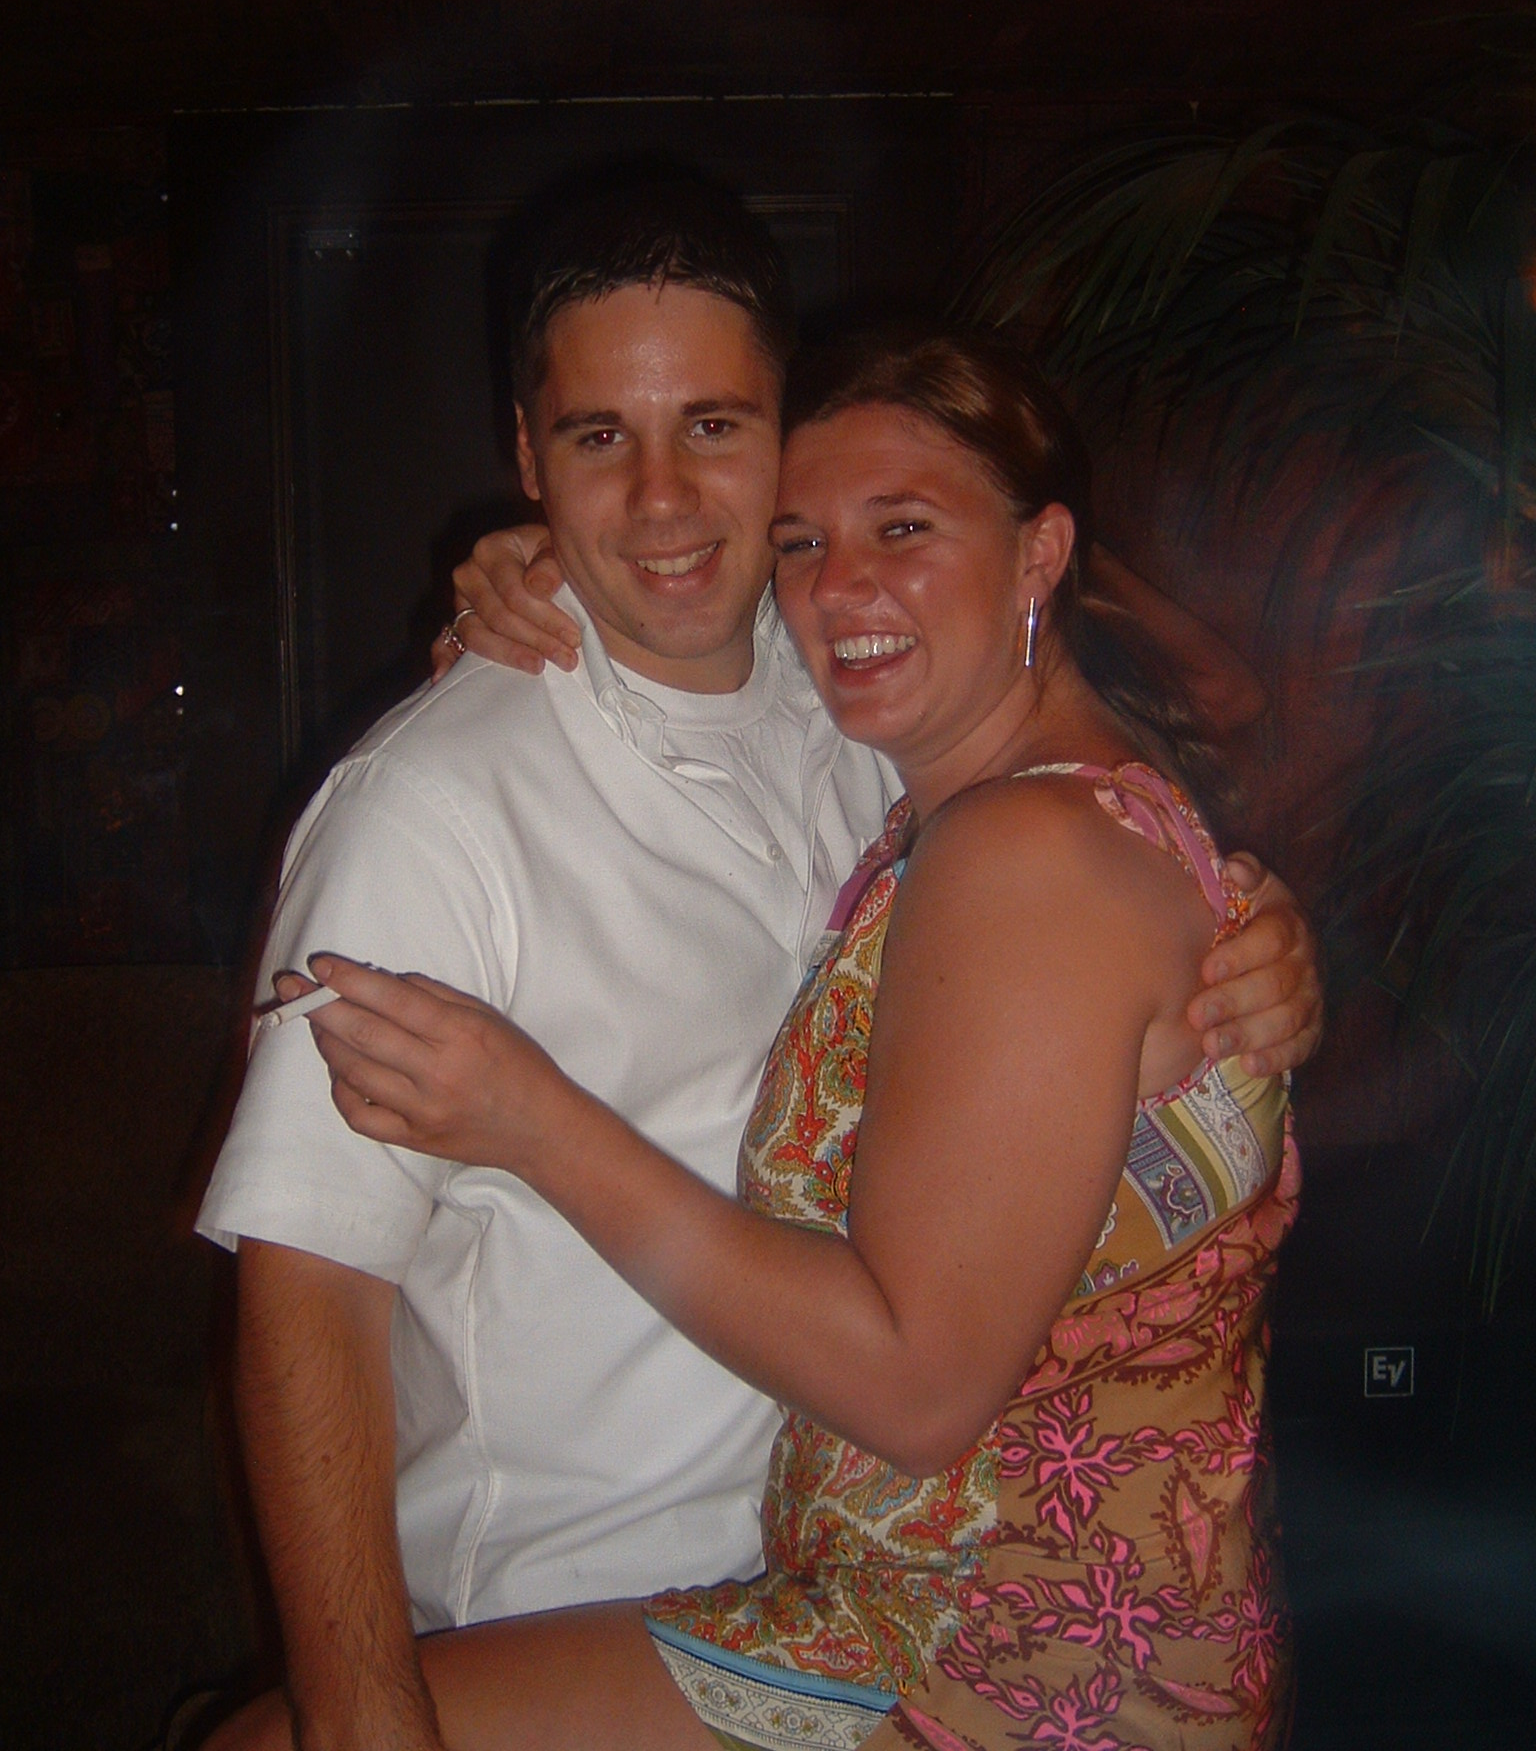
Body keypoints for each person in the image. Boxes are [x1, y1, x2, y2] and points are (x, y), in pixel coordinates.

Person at [199, 179, 1317, 1751]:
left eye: (715, 430)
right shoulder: (430, 806)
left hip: (908, 1608)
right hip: (567, 1592)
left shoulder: (864, 719)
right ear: (530, 459)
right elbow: (306, 1286)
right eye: (600, 438)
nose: (664, 498)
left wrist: (1260, 940)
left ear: (778, 436)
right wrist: (366, 1711)